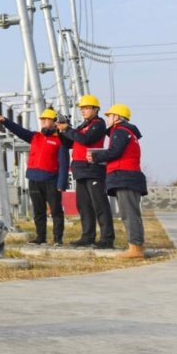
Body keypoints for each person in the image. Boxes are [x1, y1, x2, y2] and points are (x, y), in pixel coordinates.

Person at [0, 108, 69, 245]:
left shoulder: (60, 141)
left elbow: (64, 164)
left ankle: (57, 239)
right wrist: (5, 121)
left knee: (56, 211)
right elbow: (19, 130)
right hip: (34, 179)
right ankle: (40, 237)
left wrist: (62, 183)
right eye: (42, 119)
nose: (43, 121)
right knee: (38, 211)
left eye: (47, 119)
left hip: (51, 180)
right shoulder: (35, 137)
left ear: (55, 122)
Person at [87, 104, 147, 260]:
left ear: (117, 117)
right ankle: (135, 246)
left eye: (109, 116)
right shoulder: (126, 132)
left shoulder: (120, 131)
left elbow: (115, 152)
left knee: (129, 214)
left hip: (125, 176)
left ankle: (136, 248)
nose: (107, 119)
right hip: (127, 176)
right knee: (129, 213)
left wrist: (96, 157)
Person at [56, 95, 115, 249]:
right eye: (81, 108)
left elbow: (86, 140)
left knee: (99, 204)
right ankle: (87, 236)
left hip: (93, 168)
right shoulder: (82, 126)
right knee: (83, 205)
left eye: (86, 108)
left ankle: (107, 238)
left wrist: (68, 129)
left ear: (96, 109)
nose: (83, 110)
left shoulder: (98, 124)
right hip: (80, 168)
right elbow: (69, 143)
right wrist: (62, 131)